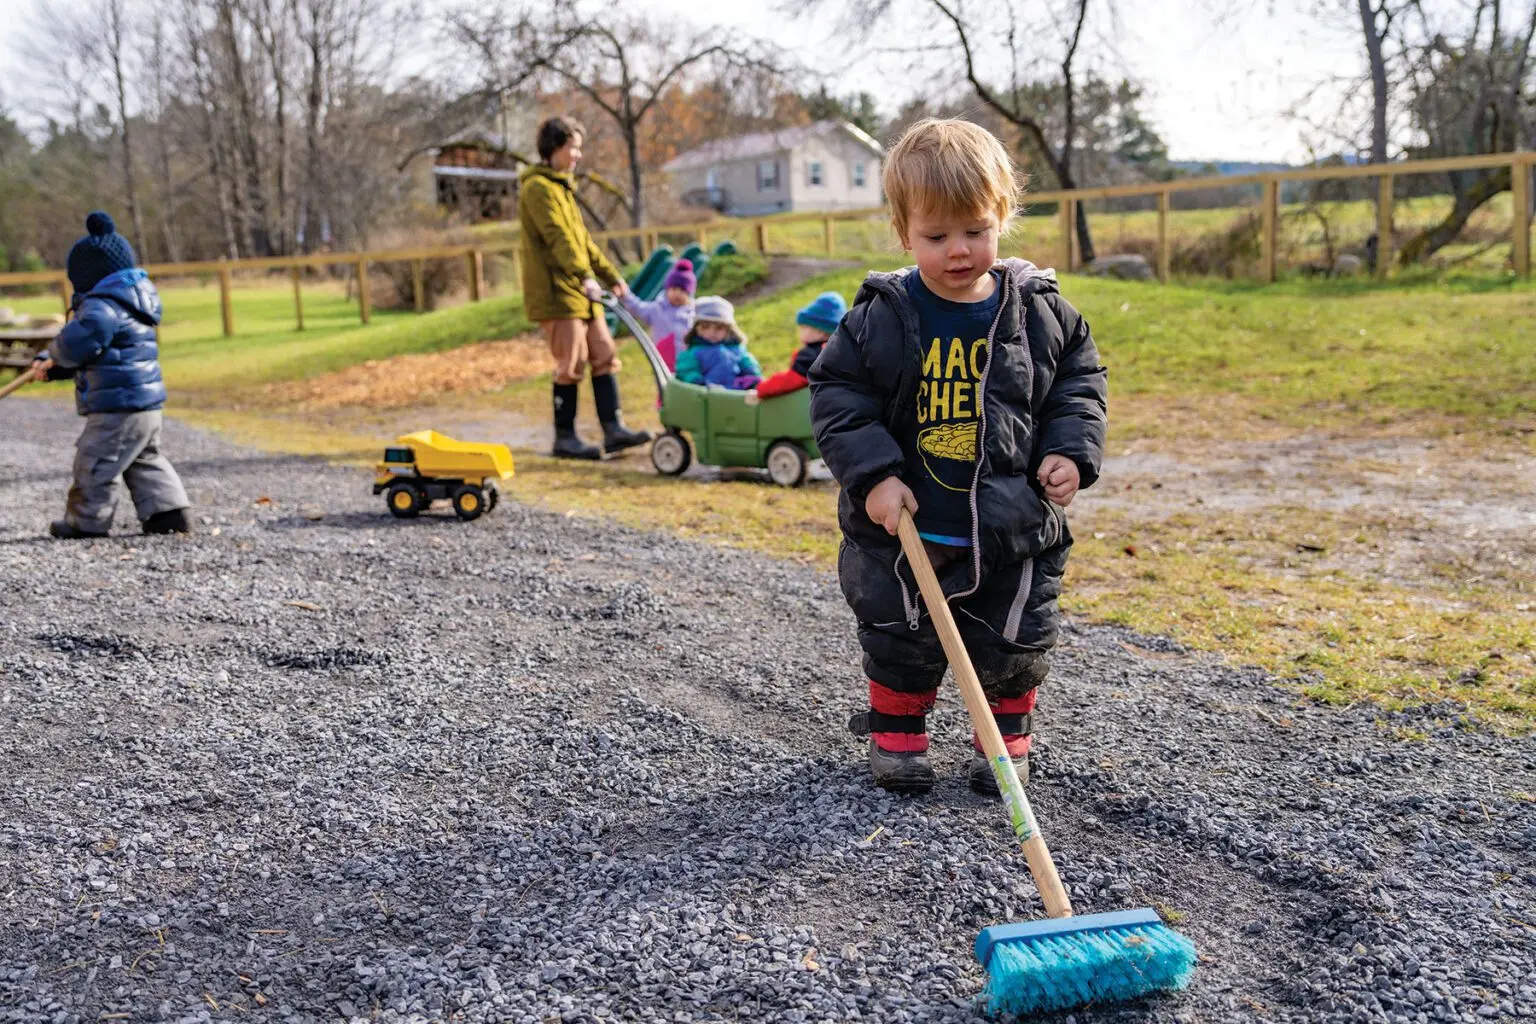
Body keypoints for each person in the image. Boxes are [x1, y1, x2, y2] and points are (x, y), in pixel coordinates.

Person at [809, 119, 1107, 796]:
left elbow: (1078, 382)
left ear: (1003, 214)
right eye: (936, 236)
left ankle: (1003, 748)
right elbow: (838, 392)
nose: (958, 251)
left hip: (1010, 520)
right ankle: (899, 739)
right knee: (899, 632)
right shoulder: (884, 316)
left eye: (975, 230)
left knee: (1014, 639)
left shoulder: (1039, 312)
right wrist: (875, 475)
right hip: (908, 523)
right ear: (903, 231)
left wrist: (1069, 449)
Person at [32, 211, 192, 539]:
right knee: (144, 459)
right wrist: (54, 368)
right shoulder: (131, 302)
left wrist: (53, 355)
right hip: (144, 405)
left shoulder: (101, 307)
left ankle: (86, 521)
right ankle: (169, 514)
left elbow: (78, 343)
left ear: (86, 277)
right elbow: (99, 354)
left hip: (116, 408)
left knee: (94, 461)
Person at [518, 115, 651, 460]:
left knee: (604, 355)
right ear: (554, 149)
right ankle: (565, 438)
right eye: (573, 147)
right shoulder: (538, 189)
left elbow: (583, 242)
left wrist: (611, 276)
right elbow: (558, 238)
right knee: (571, 363)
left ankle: (614, 430)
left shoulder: (562, 187)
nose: (578, 155)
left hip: (581, 289)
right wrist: (583, 277)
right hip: (557, 292)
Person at [745, 291, 847, 404]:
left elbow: (791, 380)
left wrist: (761, 390)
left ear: (821, 332)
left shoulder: (811, 355)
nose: (800, 331)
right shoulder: (841, 351)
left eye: (804, 327)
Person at [674, 296, 761, 390]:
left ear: (728, 330)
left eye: (719, 328)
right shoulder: (693, 352)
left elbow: (747, 363)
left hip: (735, 393)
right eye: (705, 327)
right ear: (696, 329)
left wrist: (751, 376)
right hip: (707, 395)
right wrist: (698, 382)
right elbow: (687, 370)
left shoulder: (736, 349)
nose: (711, 333)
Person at [620, 258, 696, 364]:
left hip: (686, 361)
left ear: (689, 294)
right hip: (662, 362)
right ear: (667, 289)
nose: (677, 294)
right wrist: (625, 295)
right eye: (674, 289)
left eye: (683, 290)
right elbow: (637, 307)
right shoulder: (656, 309)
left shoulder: (693, 313)